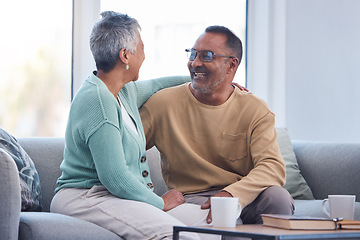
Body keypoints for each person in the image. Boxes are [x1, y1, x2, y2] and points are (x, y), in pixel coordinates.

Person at [50, 11, 200, 240]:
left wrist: (203, 82)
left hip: (112, 196)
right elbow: (115, 177)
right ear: (125, 55)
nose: (144, 54)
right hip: (85, 197)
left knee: (209, 227)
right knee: (184, 236)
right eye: (141, 48)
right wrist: (159, 202)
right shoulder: (98, 100)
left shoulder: (123, 90)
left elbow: (158, 85)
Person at [139, 26, 295, 226]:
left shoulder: (255, 108)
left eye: (207, 56)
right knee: (224, 220)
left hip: (244, 193)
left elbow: (272, 167)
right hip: (193, 198)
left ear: (231, 65)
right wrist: (149, 198)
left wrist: (230, 193)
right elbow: (127, 150)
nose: (195, 63)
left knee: (278, 198)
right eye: (193, 54)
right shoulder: (162, 104)